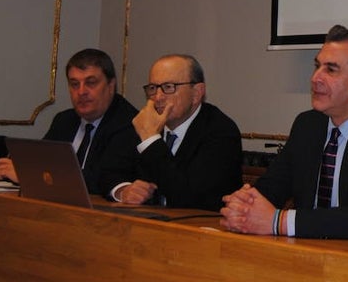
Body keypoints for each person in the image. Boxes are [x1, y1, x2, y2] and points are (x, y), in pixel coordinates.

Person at [220, 24, 348, 239]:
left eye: (331, 69)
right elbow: (272, 188)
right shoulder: (308, 125)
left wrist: (280, 221)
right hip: (305, 254)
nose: (315, 78)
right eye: (317, 66)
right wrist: (243, 205)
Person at [99, 54, 243, 211]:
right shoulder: (145, 123)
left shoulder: (221, 132)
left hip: (199, 229)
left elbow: (189, 198)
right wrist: (123, 190)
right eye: (153, 88)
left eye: (168, 87)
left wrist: (150, 140)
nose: (158, 97)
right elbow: (107, 173)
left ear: (196, 93)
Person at [0, 48, 139, 194]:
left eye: (91, 82)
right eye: (74, 84)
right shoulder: (64, 120)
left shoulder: (129, 123)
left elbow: (103, 179)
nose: (81, 92)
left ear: (111, 86)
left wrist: (28, 175)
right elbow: (41, 161)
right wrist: (20, 165)